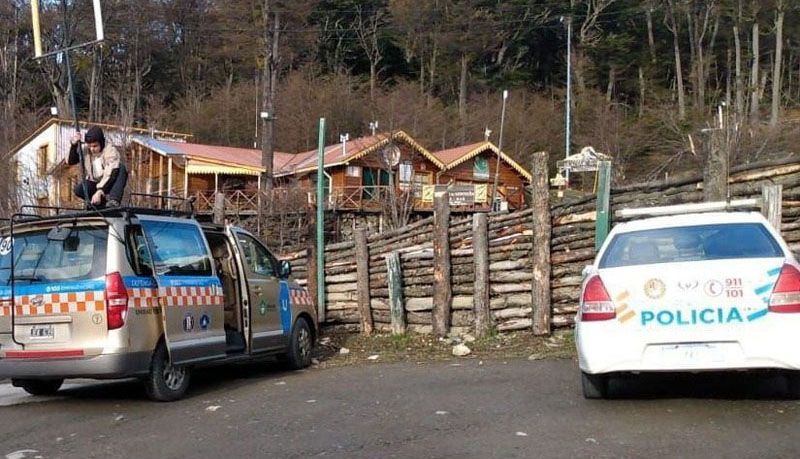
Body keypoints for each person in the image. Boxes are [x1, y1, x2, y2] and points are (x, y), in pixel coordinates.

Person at [68, 125, 128, 208]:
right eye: (90, 146)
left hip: (109, 182)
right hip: (95, 182)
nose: (92, 149)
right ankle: (99, 204)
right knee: (79, 189)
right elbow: (71, 161)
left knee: (121, 168)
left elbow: (110, 173)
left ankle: (113, 201)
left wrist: (100, 191)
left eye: (95, 146)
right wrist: (73, 145)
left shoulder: (110, 150)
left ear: (101, 143)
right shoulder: (86, 151)